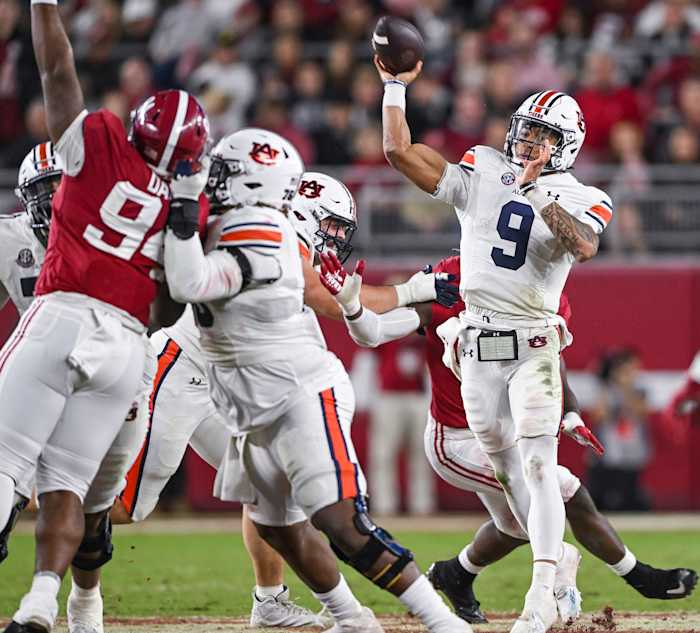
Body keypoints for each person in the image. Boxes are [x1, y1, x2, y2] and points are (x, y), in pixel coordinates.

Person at [162, 128, 472, 633]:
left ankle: (442, 623)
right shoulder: (228, 227)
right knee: (277, 529)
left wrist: (409, 297)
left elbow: (327, 297)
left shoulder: (273, 235)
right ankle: (349, 618)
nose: (213, 185)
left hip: (295, 393)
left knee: (339, 521)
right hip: (250, 403)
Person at [320, 252, 698, 624]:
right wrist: (353, 305)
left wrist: (569, 412)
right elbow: (372, 332)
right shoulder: (450, 286)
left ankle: (458, 572)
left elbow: (552, 359)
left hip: (507, 435)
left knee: (517, 525)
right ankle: (601, 574)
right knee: (555, 489)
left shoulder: (539, 290)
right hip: (457, 438)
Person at [376, 53, 612, 633]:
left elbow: (582, 245)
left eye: (542, 136)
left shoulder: (583, 195)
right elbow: (400, 153)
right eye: (525, 131)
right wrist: (393, 90)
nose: (528, 143)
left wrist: (537, 195)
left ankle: (542, 596)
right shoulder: (483, 167)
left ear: (567, 145)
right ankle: (555, 580)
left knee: (539, 466)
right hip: (476, 350)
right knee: (511, 476)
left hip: (533, 346)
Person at [0, 3, 209, 631]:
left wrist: (42, 5)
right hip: (125, 344)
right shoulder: (184, 205)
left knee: (5, 463)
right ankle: (40, 603)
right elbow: (178, 295)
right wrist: (181, 215)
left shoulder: (97, 142)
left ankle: (58, 598)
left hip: (62, 312)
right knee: (66, 486)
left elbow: (56, 67)